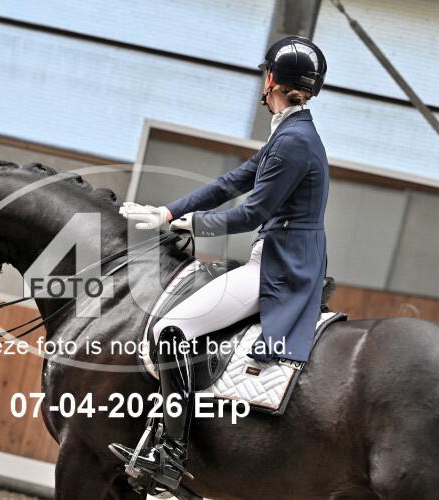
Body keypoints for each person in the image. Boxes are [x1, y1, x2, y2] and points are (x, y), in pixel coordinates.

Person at [109, 36, 329, 491]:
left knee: (171, 331)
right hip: (284, 255)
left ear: (271, 80)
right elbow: (233, 181)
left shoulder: (292, 141)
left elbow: (252, 213)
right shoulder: (292, 133)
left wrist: (192, 224)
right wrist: (166, 212)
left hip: (278, 265)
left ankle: (171, 454)